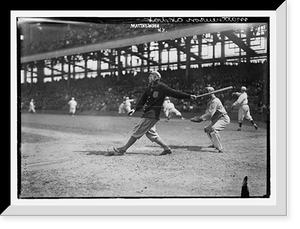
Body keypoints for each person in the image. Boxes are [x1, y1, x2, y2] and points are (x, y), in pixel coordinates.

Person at [107, 71, 196, 156]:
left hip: (151, 115)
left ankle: (123, 149)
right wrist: (135, 109)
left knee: (138, 130)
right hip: (148, 114)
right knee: (151, 133)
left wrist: (188, 96)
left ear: (155, 77)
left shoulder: (162, 87)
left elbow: (175, 93)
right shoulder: (149, 88)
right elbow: (143, 100)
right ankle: (167, 149)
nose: (148, 78)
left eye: (150, 76)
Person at [190, 87, 230, 153]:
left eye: (206, 93)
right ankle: (215, 144)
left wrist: (201, 118)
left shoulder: (215, 101)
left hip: (223, 119)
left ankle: (220, 148)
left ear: (210, 93)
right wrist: (202, 118)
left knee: (214, 129)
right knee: (207, 129)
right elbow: (208, 113)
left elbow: (210, 113)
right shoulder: (210, 102)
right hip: (216, 119)